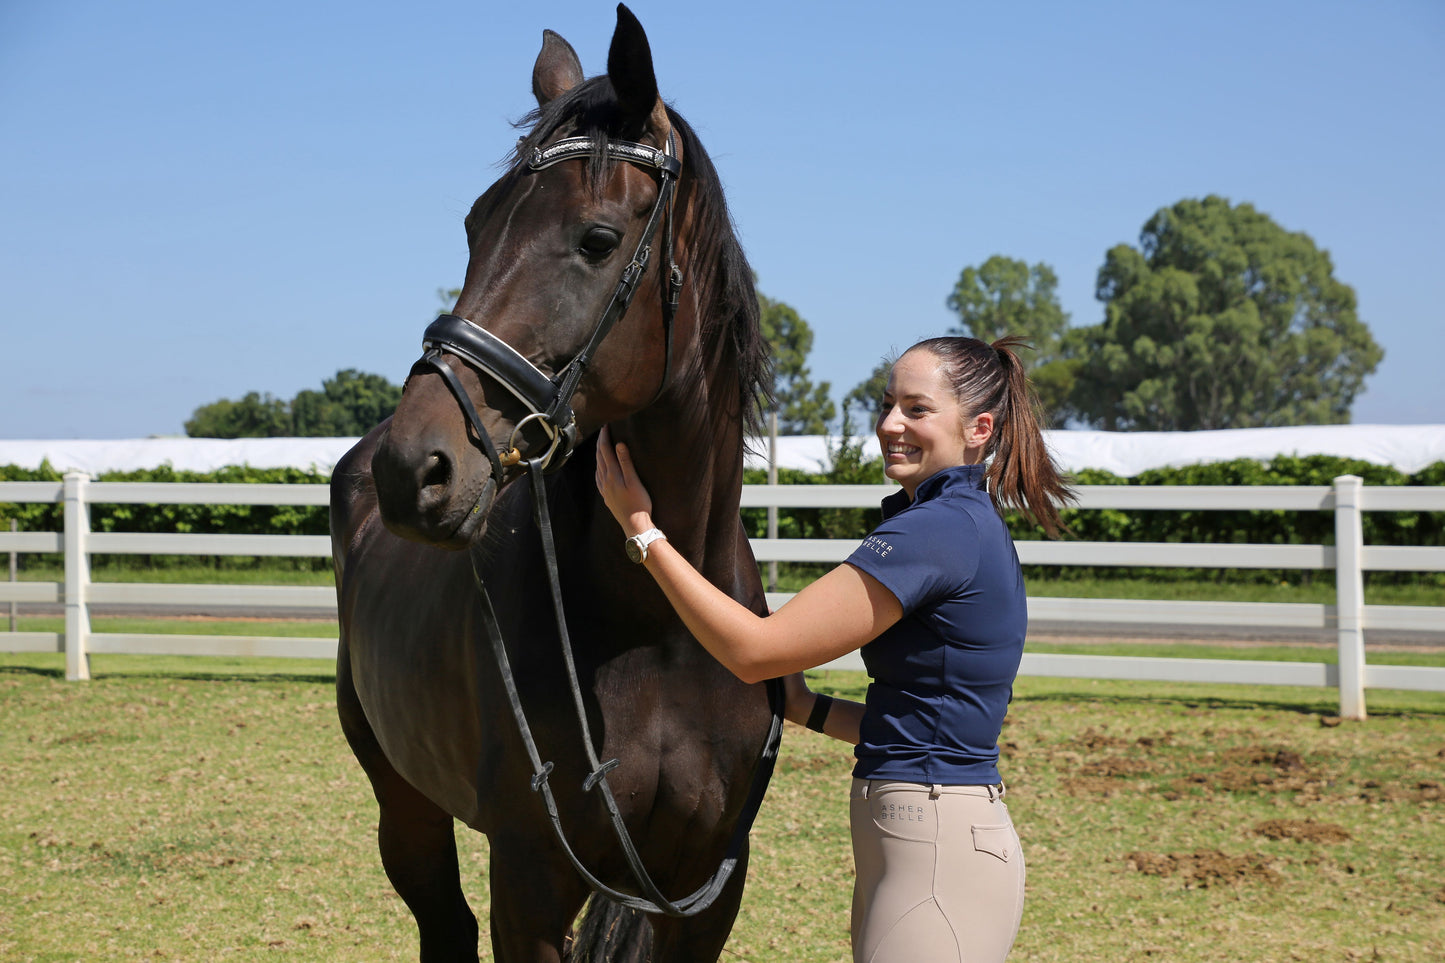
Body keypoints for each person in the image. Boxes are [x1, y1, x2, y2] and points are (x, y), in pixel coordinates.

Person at [595, 335, 1072, 963]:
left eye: (917, 409)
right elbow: (925, 725)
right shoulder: (957, 520)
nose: (889, 424)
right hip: (926, 840)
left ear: (979, 428)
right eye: (887, 404)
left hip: (934, 850)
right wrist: (808, 707)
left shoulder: (939, 529)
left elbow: (755, 651)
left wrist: (642, 531)